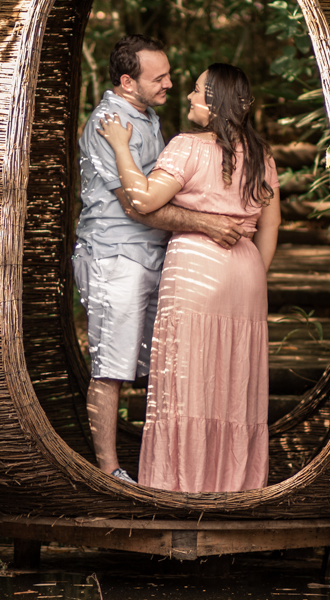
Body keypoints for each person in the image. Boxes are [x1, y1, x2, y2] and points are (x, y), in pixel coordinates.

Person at [98, 63, 282, 492]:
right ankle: (233, 489)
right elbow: (270, 227)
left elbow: (143, 199)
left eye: (198, 91)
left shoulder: (187, 146)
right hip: (247, 271)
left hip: (198, 269)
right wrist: (250, 271)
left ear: (214, 101)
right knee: (235, 384)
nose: (189, 97)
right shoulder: (262, 155)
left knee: (188, 381)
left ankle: (180, 489)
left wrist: (121, 146)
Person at [74, 36, 248, 484]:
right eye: (161, 77)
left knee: (159, 365)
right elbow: (138, 205)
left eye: (170, 75)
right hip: (117, 256)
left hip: (155, 254)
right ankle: (110, 471)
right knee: (112, 365)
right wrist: (207, 224)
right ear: (127, 81)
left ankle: (159, 464)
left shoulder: (148, 118)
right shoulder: (110, 122)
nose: (171, 83)